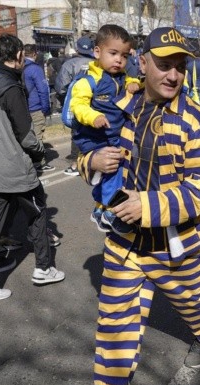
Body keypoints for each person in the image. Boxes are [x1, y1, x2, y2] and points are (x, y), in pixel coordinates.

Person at [71, 26, 200, 385]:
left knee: (198, 308)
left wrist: (148, 204)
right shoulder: (124, 104)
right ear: (143, 63)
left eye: (180, 67)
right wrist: (93, 163)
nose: (172, 75)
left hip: (176, 248)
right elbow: (86, 149)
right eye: (163, 65)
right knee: (115, 321)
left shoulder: (197, 121)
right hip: (124, 242)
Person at [0, 33, 65, 306]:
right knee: (37, 215)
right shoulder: (11, 88)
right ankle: (43, 268)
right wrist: (39, 152)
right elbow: (25, 134)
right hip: (16, 168)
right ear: (19, 57)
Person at [68, 25, 140, 234]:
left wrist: (134, 83)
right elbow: (78, 106)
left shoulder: (122, 76)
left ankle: (99, 209)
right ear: (97, 52)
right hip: (94, 136)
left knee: (107, 174)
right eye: (113, 53)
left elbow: (131, 79)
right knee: (114, 171)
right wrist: (94, 117)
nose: (119, 60)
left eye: (124, 55)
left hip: (112, 135)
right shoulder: (88, 80)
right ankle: (111, 210)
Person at [56, 36, 96, 176]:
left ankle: (77, 161)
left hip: (76, 102)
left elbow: (61, 86)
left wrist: (64, 98)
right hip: (95, 104)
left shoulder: (69, 64)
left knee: (77, 131)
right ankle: (92, 159)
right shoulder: (97, 64)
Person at [23, 44, 54, 172]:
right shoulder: (35, 69)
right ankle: (39, 162)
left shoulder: (19, 67)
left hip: (23, 107)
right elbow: (43, 90)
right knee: (37, 135)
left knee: (25, 135)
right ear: (35, 54)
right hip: (35, 107)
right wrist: (46, 108)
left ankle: (28, 161)